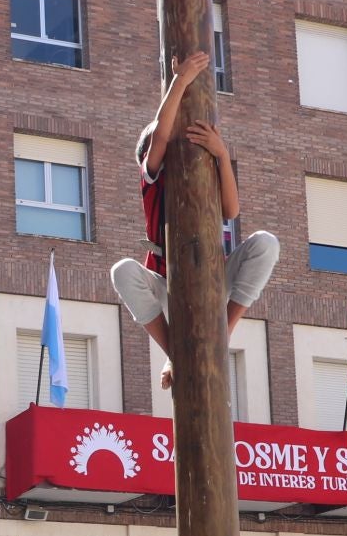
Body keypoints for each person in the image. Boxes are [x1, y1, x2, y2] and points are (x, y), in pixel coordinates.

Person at [109, 49, 279, 390]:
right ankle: (176, 351)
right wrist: (180, 80)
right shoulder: (152, 175)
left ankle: (221, 334)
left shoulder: (203, 173)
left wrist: (221, 154)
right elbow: (159, 135)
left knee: (265, 244)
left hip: (212, 275)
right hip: (167, 282)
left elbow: (231, 211)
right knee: (123, 270)